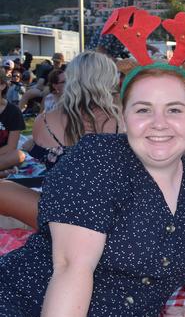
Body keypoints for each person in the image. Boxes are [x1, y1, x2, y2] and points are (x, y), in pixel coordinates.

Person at [0, 59, 185, 317]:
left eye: (174, 110)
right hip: (26, 306)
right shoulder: (97, 160)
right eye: (143, 110)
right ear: (123, 118)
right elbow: (72, 270)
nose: (159, 123)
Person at [0, 52, 122, 231]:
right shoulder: (125, 121)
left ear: (71, 79)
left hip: (59, 217)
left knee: (3, 190)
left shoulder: (46, 121)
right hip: (110, 214)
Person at [0, 73, 25, 175]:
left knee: (19, 155)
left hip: (3, 154)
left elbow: (11, 146)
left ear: (2, 85)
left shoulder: (13, 111)